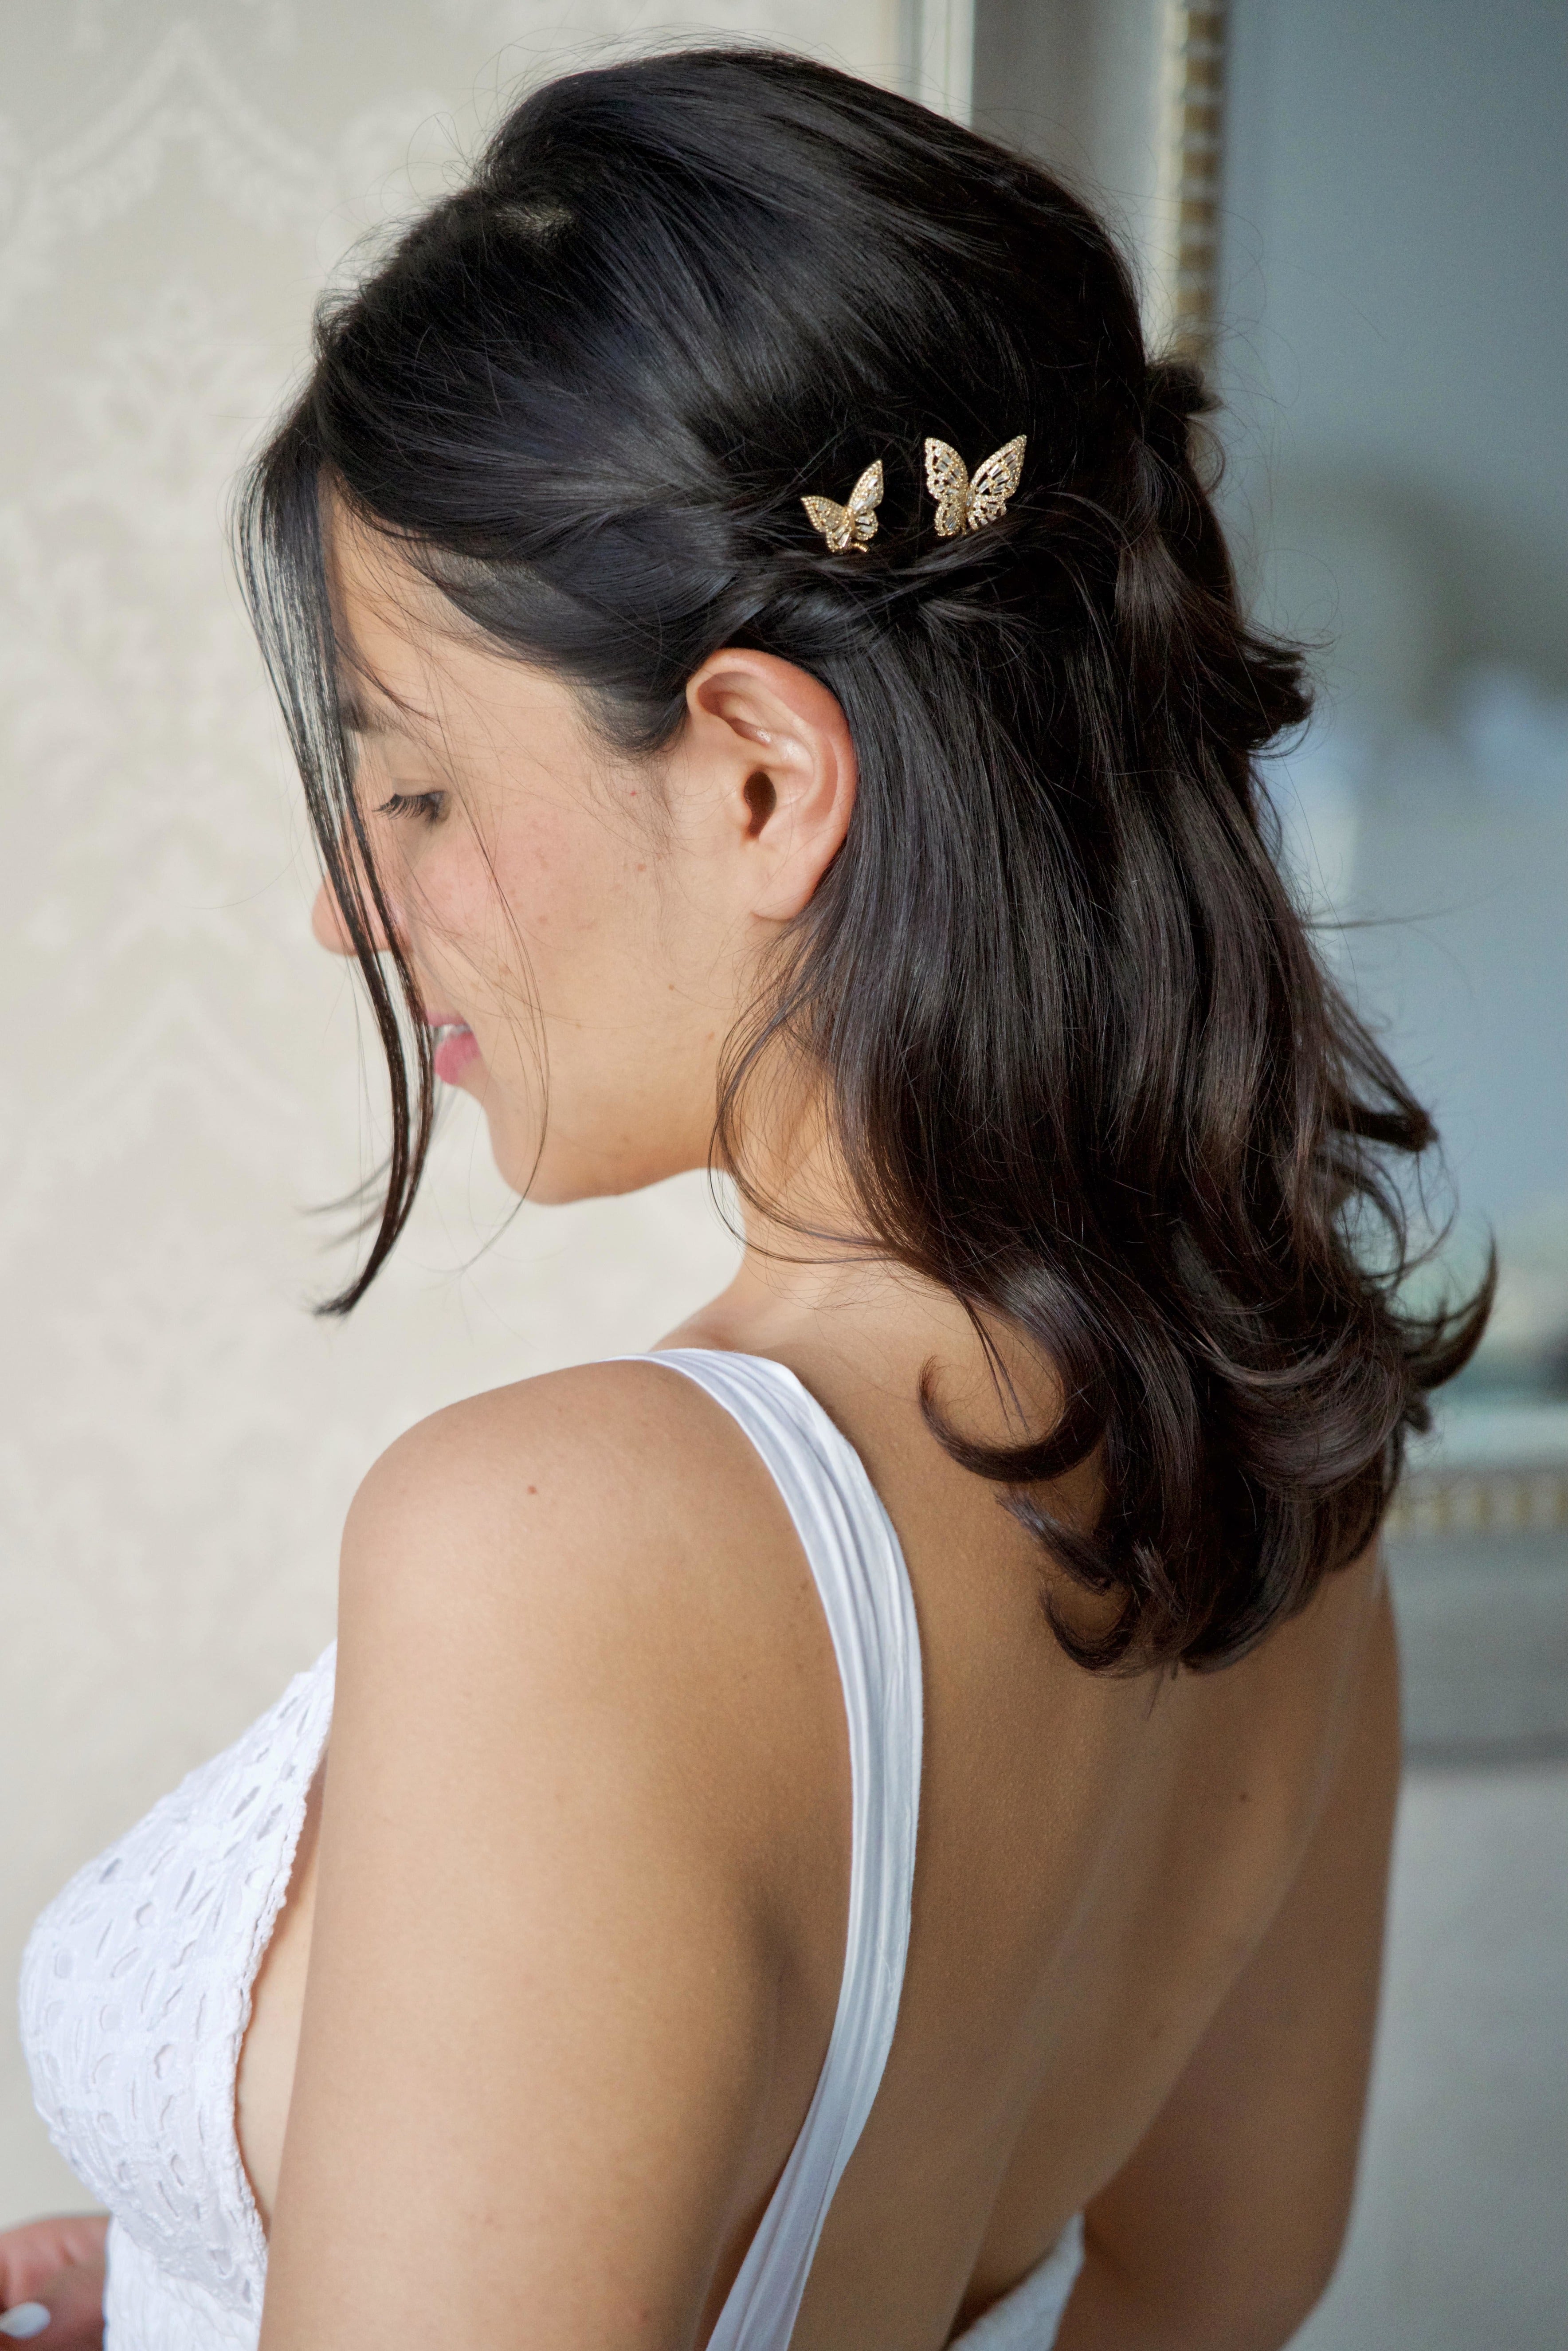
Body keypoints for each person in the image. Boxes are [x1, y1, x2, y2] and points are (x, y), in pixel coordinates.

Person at [1, 47, 1485, 2351]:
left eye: (414, 791)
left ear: (769, 778)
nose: (345, 907)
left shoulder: (568, 1547)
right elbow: (1208, 2297)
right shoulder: (1283, 1498)